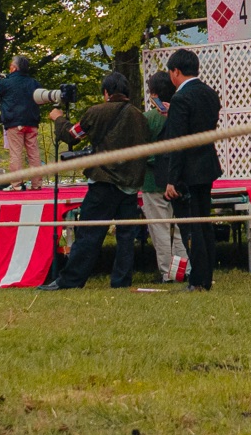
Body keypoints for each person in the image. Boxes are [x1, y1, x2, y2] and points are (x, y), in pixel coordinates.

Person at [42, 72, 151, 290]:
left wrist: (58, 119)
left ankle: (71, 281)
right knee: (126, 238)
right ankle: (121, 282)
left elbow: (73, 135)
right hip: (130, 186)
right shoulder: (141, 117)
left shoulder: (97, 112)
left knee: (89, 235)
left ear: (106, 92)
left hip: (103, 182)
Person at [157, 49, 222, 291]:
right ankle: (205, 276)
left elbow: (178, 142)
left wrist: (172, 179)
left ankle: (198, 280)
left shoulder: (181, 99)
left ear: (176, 71)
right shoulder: (209, 93)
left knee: (191, 226)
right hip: (207, 165)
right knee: (204, 224)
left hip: (188, 171)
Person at [140, 70, 187, 282]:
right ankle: (184, 269)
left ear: (154, 93)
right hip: (179, 178)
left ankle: (167, 272)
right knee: (180, 227)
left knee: (159, 228)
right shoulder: (182, 114)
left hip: (152, 180)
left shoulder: (148, 118)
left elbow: (140, 152)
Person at [0, 56, 44, 188]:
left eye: (11, 65)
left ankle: (17, 184)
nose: (9, 68)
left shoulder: (7, 83)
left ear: (14, 68)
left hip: (14, 122)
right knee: (33, 153)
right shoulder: (34, 83)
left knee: (16, 154)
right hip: (32, 122)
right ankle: (37, 184)